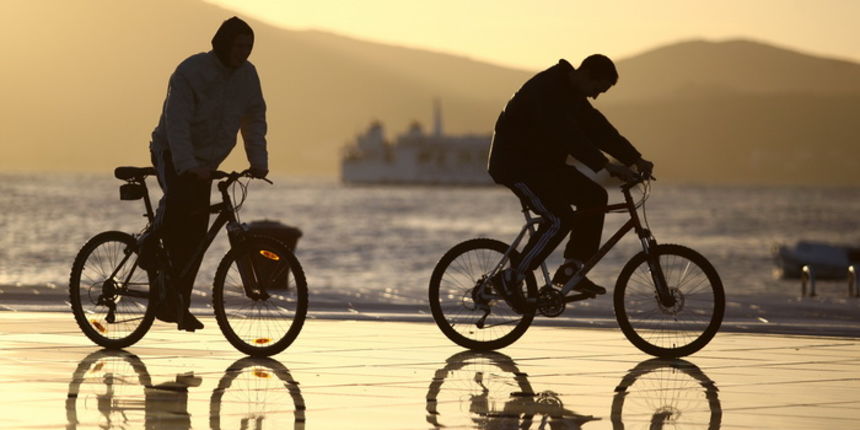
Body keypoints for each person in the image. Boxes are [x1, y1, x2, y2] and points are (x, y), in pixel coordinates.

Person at [487, 54, 653, 312]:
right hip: (515, 166)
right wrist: (606, 164)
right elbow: (565, 132)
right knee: (559, 219)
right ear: (586, 74)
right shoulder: (547, 88)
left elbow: (598, 128)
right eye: (597, 89)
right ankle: (510, 277)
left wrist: (635, 159)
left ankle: (570, 268)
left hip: (544, 166)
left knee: (595, 197)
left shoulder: (573, 94)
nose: (596, 96)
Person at [148, 16, 269, 331]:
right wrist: (187, 166)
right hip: (172, 153)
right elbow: (176, 122)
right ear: (224, 43)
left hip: (206, 164)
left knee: (196, 239)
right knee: (179, 210)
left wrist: (258, 161)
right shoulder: (191, 71)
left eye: (249, 46)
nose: (244, 52)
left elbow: (254, 118)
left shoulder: (248, 76)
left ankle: (177, 305)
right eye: (239, 45)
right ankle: (149, 244)